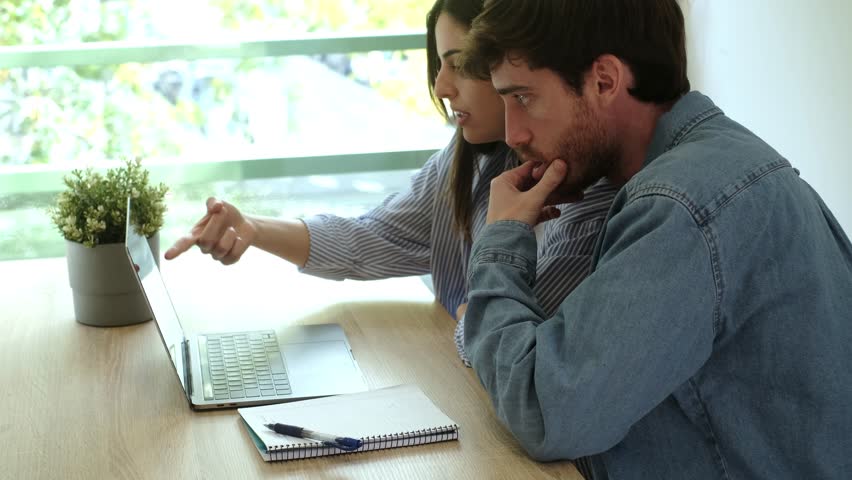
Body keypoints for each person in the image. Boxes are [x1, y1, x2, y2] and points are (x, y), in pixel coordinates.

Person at [458, 0, 852, 478]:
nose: (512, 133)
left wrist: (501, 242)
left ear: (605, 80)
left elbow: (546, 412)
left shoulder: (679, 208)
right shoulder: (724, 161)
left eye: (522, 97)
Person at [164, 0, 617, 366]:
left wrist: (471, 318)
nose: (440, 87)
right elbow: (371, 237)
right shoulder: (466, 161)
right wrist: (255, 229)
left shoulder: (577, 195)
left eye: (459, 65)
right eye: (439, 65)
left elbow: (511, 356)